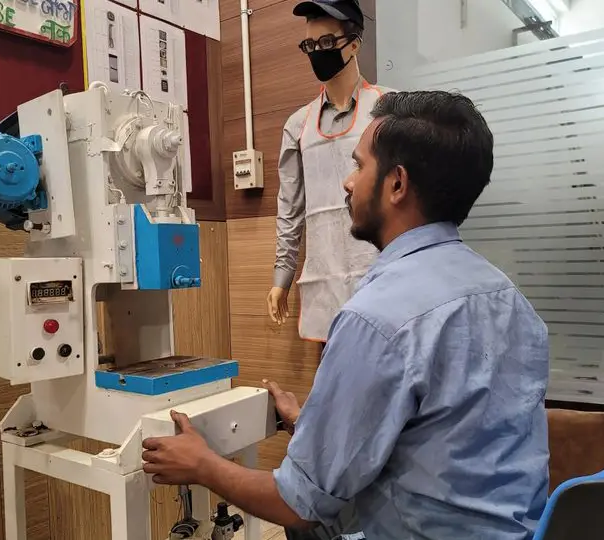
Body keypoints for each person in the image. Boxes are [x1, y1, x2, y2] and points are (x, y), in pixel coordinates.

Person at [142, 90, 551, 540]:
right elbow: (447, 437)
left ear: (397, 184)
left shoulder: (376, 319)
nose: (348, 183)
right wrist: (316, 425)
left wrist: (202, 465)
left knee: (304, 528)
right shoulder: (509, 298)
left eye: (359, 166)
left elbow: (297, 505)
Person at [267, 0, 394, 347]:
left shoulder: (390, 109)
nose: (317, 53)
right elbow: (290, 209)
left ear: (354, 44)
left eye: (326, 43)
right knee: (334, 373)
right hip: (325, 278)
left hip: (382, 276)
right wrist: (282, 277)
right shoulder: (299, 125)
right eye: (309, 45)